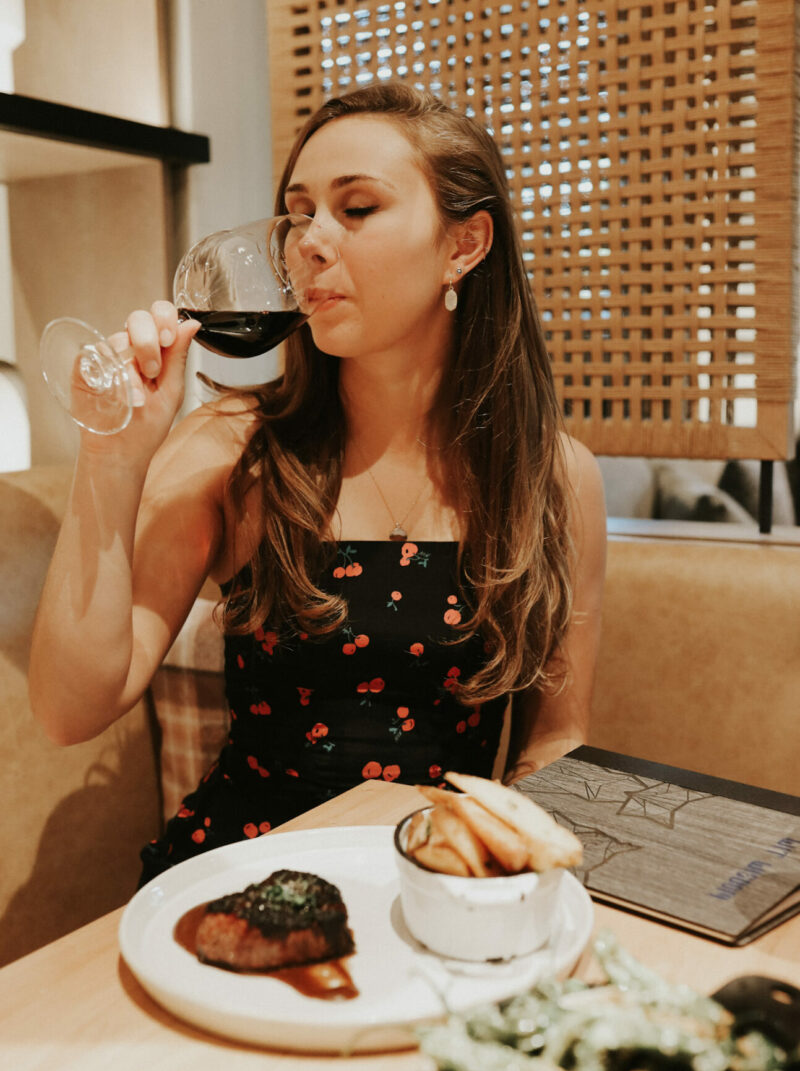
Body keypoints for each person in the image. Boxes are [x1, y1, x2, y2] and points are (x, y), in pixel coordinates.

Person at [29, 82, 607, 883]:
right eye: (301, 213)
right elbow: (70, 709)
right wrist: (113, 456)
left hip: (432, 892)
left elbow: (552, 742)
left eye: (357, 209)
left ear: (464, 245)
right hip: (235, 883)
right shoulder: (234, 450)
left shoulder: (550, 478)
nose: (311, 242)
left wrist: (524, 893)